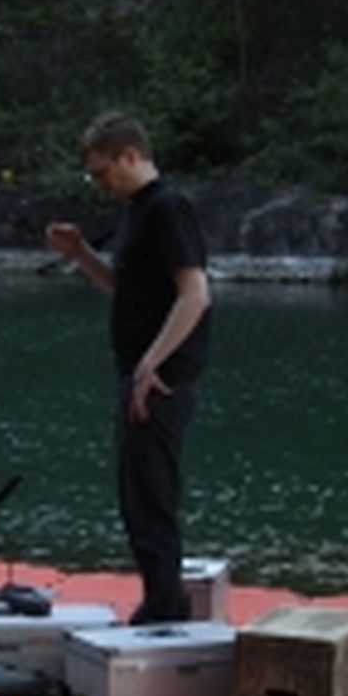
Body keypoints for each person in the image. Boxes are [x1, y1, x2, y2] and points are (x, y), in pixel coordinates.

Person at [46, 111, 213, 624]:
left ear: (131, 156)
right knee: (137, 494)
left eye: (102, 171)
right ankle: (160, 597)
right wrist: (81, 253)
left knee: (152, 495)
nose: (99, 183)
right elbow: (128, 288)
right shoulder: (138, 211)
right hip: (140, 373)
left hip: (160, 378)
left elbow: (195, 294)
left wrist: (150, 364)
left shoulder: (168, 207)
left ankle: (166, 605)